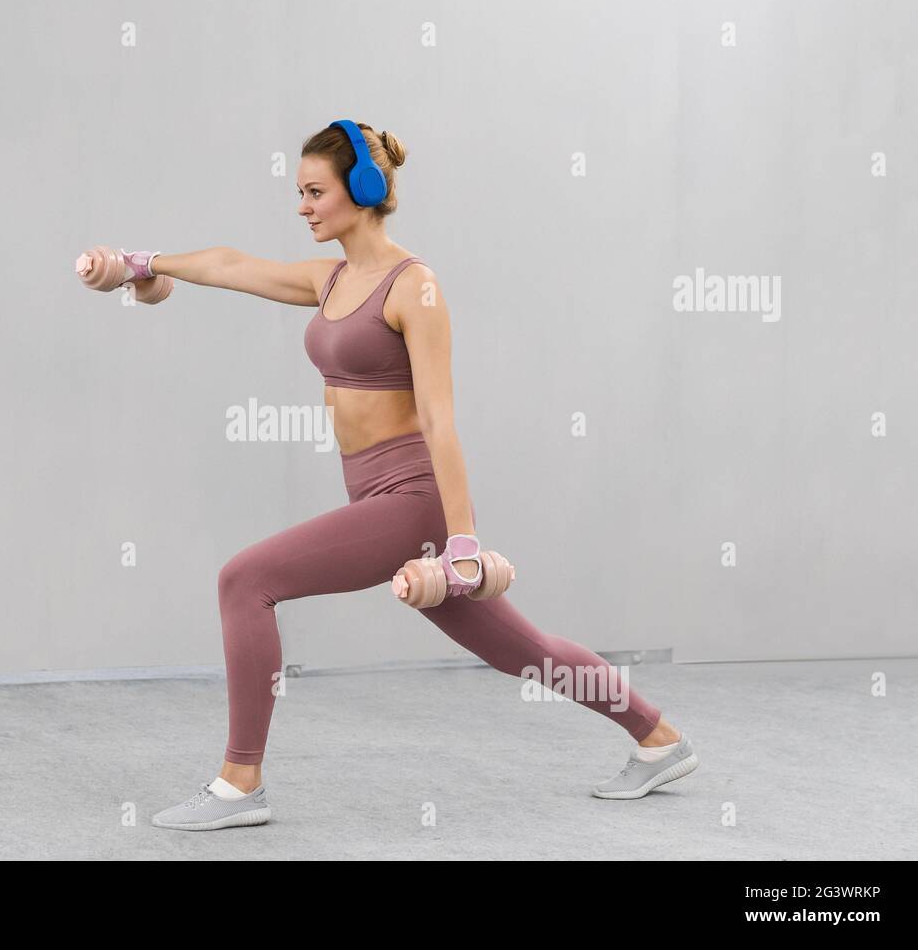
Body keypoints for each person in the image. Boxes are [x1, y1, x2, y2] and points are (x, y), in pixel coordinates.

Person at [128, 120, 698, 830]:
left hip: (413, 500)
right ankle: (658, 739)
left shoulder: (412, 286)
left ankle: (240, 785)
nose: (303, 207)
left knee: (244, 580)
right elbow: (229, 264)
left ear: (362, 190)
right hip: (372, 494)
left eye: (314, 192)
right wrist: (142, 263)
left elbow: (439, 419)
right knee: (521, 650)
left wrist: (462, 542)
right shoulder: (330, 278)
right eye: (298, 194)